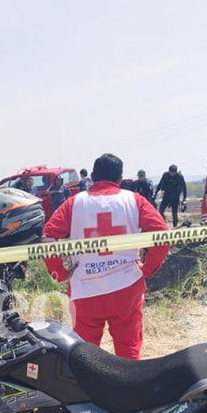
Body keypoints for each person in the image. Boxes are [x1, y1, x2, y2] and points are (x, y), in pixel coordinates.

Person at [42, 153, 170, 359]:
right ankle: (128, 390)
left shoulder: (73, 203)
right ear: (120, 178)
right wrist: (147, 269)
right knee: (128, 355)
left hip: (85, 290)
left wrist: (60, 272)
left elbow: (47, 238)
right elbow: (163, 234)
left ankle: (88, 391)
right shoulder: (134, 200)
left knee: (85, 358)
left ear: (92, 176)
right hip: (126, 287)